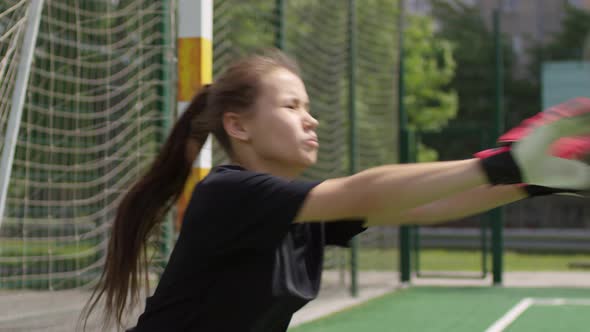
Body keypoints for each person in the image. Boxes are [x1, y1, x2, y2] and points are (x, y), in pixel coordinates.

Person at [80, 49, 590, 332]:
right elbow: (365, 191)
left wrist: (528, 183)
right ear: (238, 126)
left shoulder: (298, 210)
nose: (312, 118)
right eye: (292, 106)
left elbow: (427, 207)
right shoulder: (228, 193)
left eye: (308, 106)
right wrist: (503, 163)